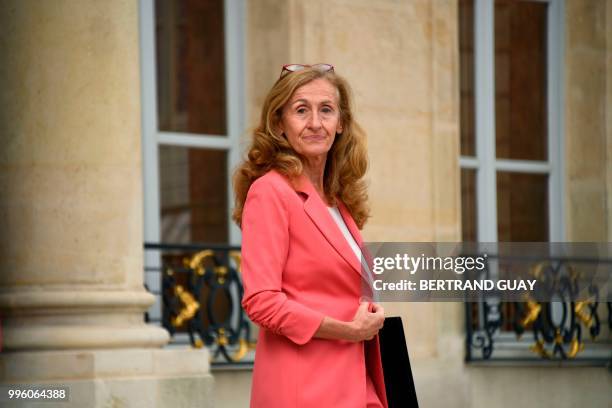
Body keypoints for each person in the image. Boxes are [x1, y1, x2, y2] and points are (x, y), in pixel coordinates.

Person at [233, 63, 388, 407]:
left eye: (326, 110)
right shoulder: (270, 192)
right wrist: (348, 330)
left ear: (341, 123)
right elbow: (262, 302)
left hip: (355, 381)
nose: (316, 123)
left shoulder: (337, 202)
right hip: (304, 389)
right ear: (279, 124)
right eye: (301, 110)